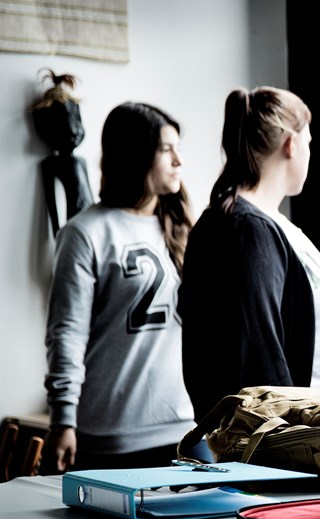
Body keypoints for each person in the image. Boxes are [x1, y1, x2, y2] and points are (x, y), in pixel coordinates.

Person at [42, 102, 203, 472]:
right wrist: (62, 419)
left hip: (187, 432)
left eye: (179, 148)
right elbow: (67, 332)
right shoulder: (86, 233)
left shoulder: (186, 229)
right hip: (111, 435)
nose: (179, 160)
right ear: (136, 154)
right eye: (167, 149)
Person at [179, 86, 320, 422]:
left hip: (306, 422)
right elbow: (258, 354)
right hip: (275, 436)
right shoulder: (245, 229)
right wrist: (291, 432)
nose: (310, 154)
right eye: (309, 144)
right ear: (291, 144)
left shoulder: (268, 223)